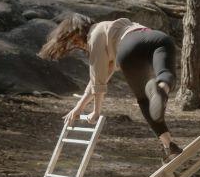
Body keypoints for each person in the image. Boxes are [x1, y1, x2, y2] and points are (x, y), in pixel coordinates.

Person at [38, 13, 183, 162]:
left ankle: (168, 144)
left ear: (80, 33)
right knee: (165, 74)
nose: (81, 46)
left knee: (144, 100)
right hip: (158, 38)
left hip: (129, 49)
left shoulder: (95, 36)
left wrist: (96, 111)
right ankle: (162, 92)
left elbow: (98, 81)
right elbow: (97, 80)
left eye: (77, 42)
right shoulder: (111, 28)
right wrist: (79, 107)